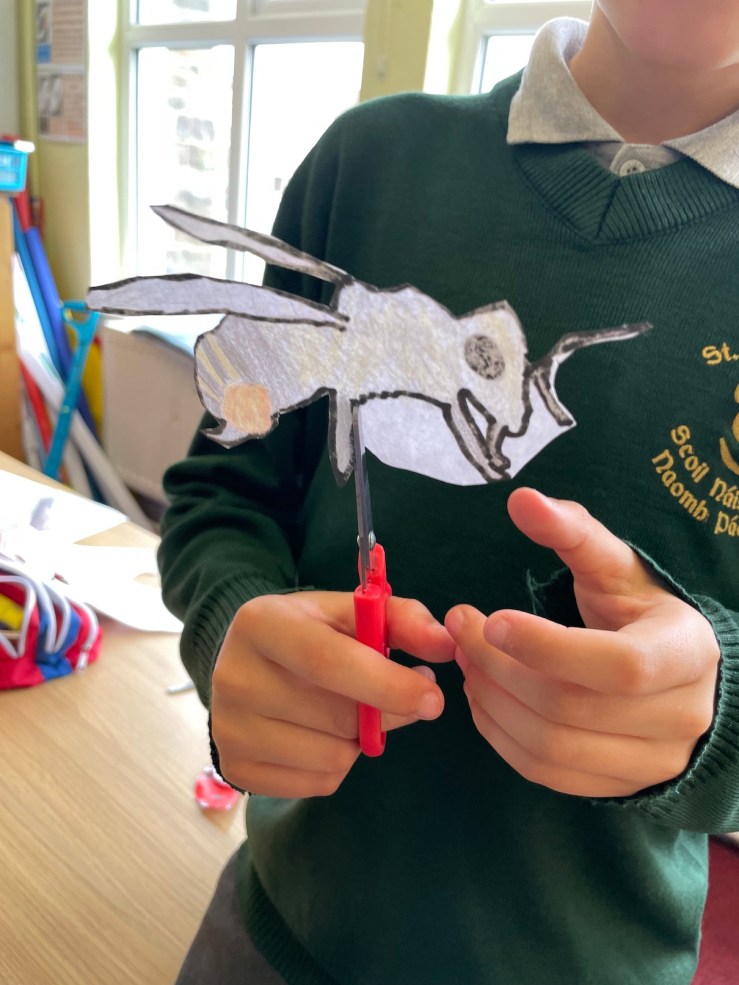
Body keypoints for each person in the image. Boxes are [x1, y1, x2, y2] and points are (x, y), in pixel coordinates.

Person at [159, 4, 739, 983]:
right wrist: (233, 630)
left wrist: (719, 713)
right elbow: (223, 489)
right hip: (276, 934)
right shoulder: (366, 162)